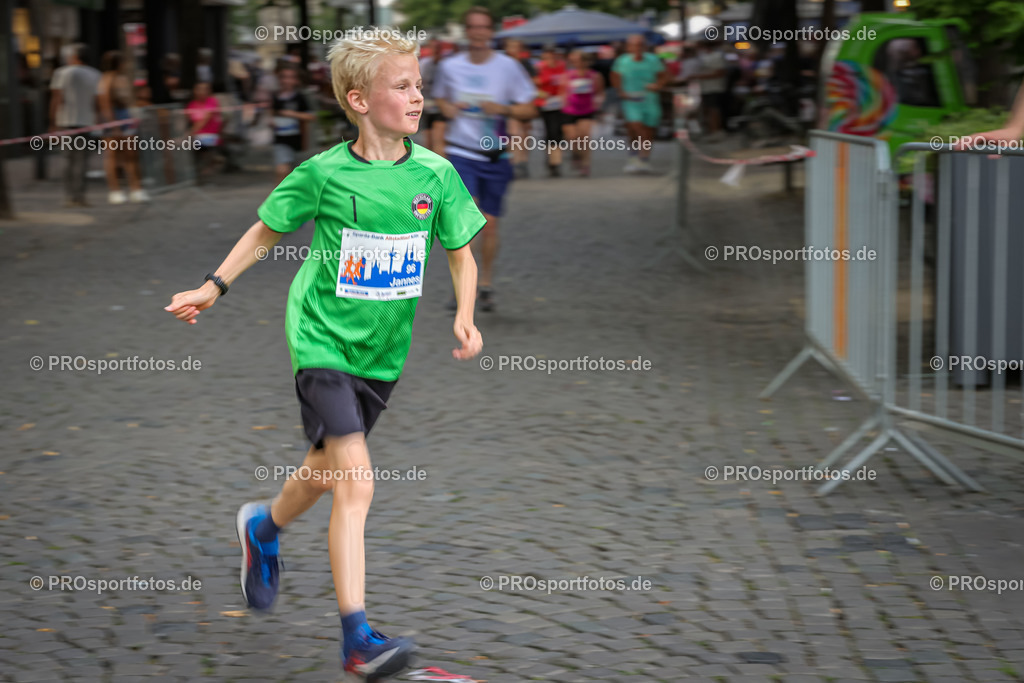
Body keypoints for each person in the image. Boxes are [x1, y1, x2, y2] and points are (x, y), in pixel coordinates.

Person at [164, 29, 485, 682]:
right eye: (403, 85)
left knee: (323, 466)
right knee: (356, 480)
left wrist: (465, 313)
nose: (418, 95)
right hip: (319, 339)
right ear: (359, 99)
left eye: (419, 83)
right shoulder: (323, 173)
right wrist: (212, 286)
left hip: (382, 354)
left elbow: (461, 251)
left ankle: (262, 527)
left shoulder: (436, 174)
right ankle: (358, 640)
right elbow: (265, 230)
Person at [433, 6, 537, 312]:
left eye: (484, 27)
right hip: (462, 154)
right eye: (473, 27)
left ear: (491, 32)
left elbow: (530, 109)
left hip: (496, 154)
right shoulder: (450, 67)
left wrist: (503, 110)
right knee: (467, 223)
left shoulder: (508, 67)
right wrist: (448, 108)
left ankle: (487, 283)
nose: (479, 33)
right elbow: (439, 98)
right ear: (467, 32)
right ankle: (464, 285)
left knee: (490, 224)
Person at [49, 43, 101, 207]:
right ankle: (80, 196)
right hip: (86, 122)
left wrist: (53, 122)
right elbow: (97, 101)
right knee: (82, 161)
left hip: (66, 122)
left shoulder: (62, 73)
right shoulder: (95, 74)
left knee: (68, 160)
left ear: (74, 57)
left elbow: (57, 99)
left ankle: (69, 196)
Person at [97, 50, 148, 204]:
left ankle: (136, 188)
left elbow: (128, 99)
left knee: (131, 154)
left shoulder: (122, 78)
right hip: (114, 117)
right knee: (112, 155)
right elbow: (105, 103)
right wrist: (114, 125)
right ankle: (115, 190)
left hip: (125, 116)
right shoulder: (107, 79)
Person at [611, 34, 667, 173]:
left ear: (644, 46)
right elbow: (615, 76)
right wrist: (620, 91)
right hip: (631, 100)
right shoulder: (622, 61)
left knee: (648, 131)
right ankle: (635, 155)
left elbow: (663, 76)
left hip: (649, 100)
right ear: (628, 47)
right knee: (636, 127)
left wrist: (657, 86)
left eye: (640, 45)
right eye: (633, 45)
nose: (637, 48)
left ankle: (644, 158)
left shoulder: (653, 60)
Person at [561, 50, 603, 177]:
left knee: (584, 137)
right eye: (574, 61)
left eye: (579, 60)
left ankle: (585, 165)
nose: (577, 63)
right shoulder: (567, 75)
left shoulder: (594, 76)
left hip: (587, 110)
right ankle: (576, 155)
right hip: (569, 110)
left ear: (586, 62)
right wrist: (562, 102)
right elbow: (562, 91)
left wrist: (598, 103)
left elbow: (600, 92)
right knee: (573, 137)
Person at [271, 65, 316, 183]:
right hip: (280, 139)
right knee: (282, 170)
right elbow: (270, 114)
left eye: (291, 77)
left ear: (296, 80)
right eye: (284, 77)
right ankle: (279, 199)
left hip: (298, 140)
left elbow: (311, 116)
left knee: (295, 175)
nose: (287, 80)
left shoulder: (300, 97)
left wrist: (291, 114)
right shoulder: (275, 97)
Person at [503, 38, 535, 178]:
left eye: (517, 47)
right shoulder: (501, 64)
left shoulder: (526, 64)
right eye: (512, 47)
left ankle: (523, 160)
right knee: (514, 132)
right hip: (508, 103)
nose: (514, 50)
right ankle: (515, 161)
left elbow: (533, 81)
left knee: (525, 132)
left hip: (524, 102)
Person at [534, 47, 567, 177]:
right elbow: (532, 83)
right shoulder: (539, 68)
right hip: (545, 104)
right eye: (546, 58)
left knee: (558, 133)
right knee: (550, 133)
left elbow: (566, 83)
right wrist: (542, 92)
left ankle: (555, 161)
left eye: (552, 57)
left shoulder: (561, 67)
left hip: (560, 104)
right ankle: (553, 161)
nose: (549, 60)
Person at [185, 81, 224, 176]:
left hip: (211, 136)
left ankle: (208, 164)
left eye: (205, 89)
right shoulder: (192, 104)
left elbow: (204, 120)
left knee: (187, 142)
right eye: (199, 89)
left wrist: (188, 134)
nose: (202, 91)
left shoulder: (212, 101)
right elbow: (185, 121)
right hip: (196, 135)